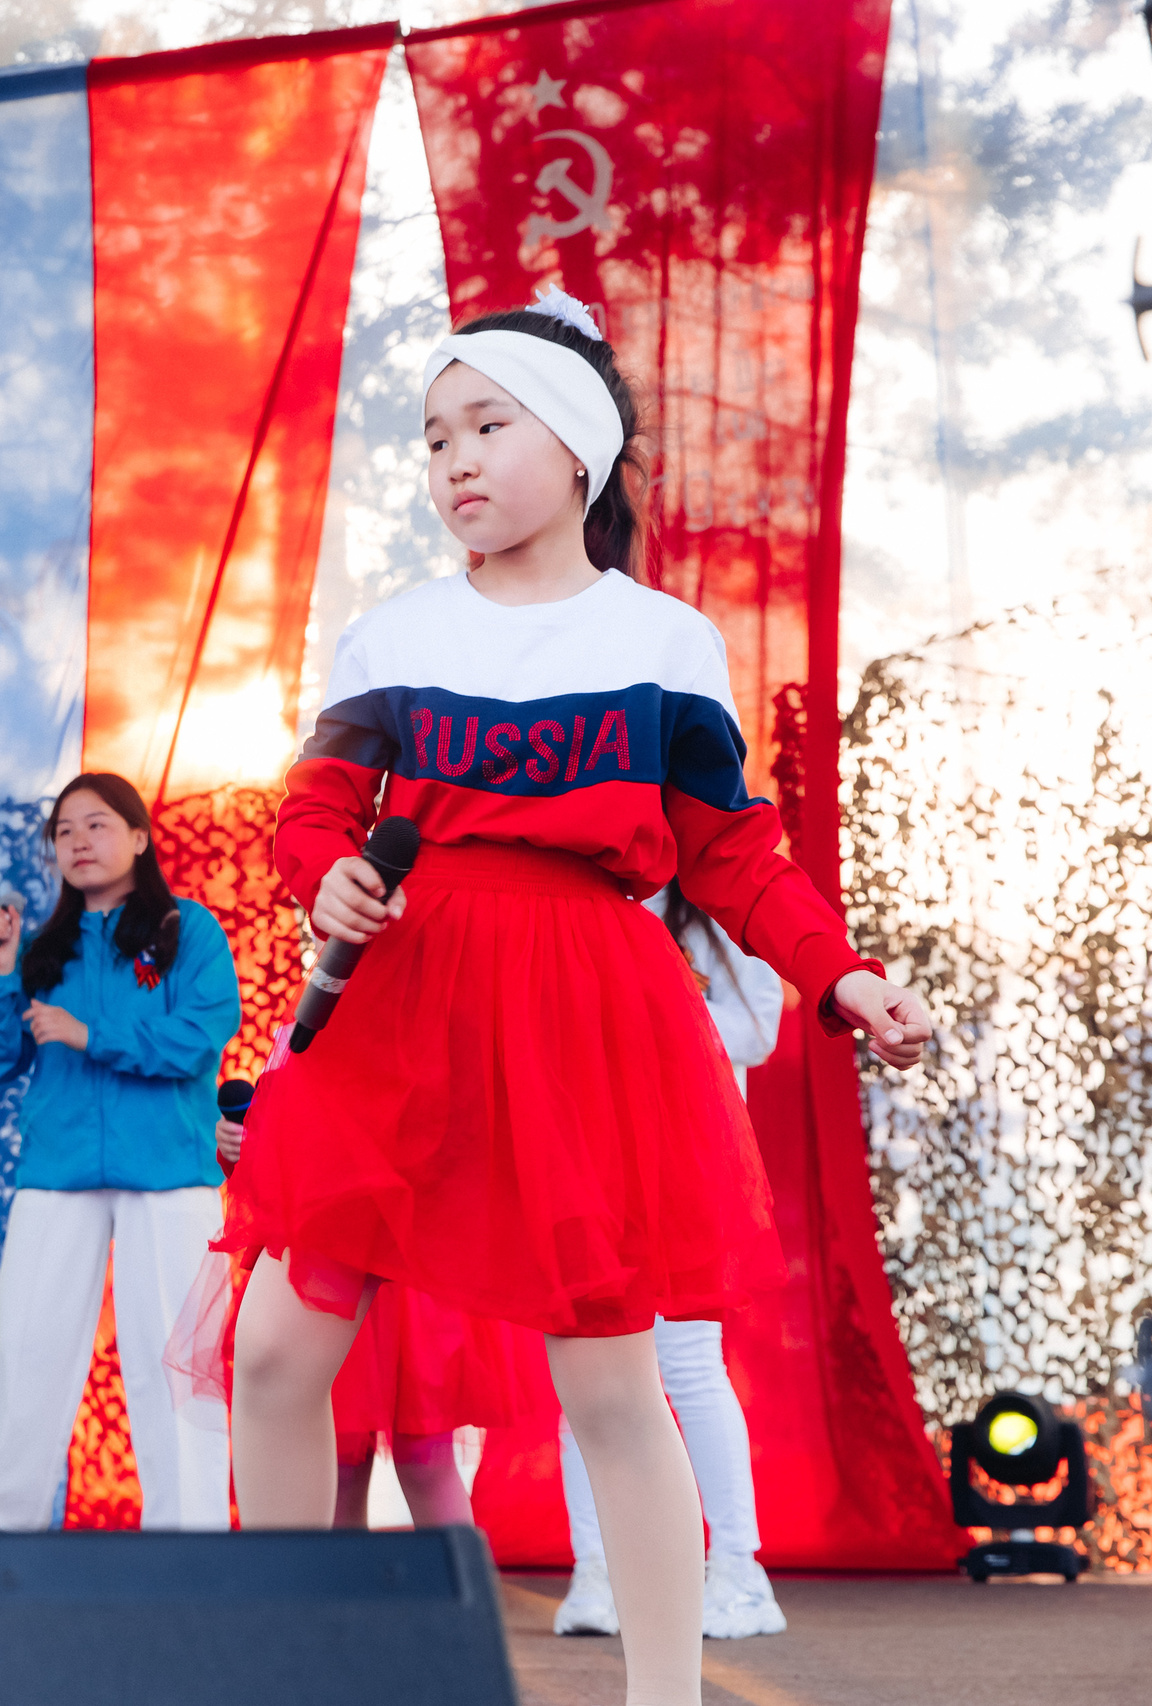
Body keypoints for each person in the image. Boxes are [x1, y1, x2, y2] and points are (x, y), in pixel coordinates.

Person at [207, 289, 930, 1706]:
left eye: (488, 424)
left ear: (582, 451)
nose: (454, 462)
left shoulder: (664, 644)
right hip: (404, 1011)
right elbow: (313, 818)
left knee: (612, 1382)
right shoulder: (393, 635)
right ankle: (278, 1662)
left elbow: (734, 854)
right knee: (281, 1348)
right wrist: (329, 879)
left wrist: (841, 972)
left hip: (582, 1016)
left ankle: (664, 1691)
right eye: (431, 439)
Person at [0, 772, 241, 1532]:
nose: (78, 842)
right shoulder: (42, 947)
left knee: (177, 1364)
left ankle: (189, 1545)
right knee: (28, 1355)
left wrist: (93, 1037)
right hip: (57, 1175)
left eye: (97, 825)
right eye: (64, 831)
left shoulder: (189, 931)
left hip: (171, 1174)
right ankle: (1, 1536)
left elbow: (199, 1037)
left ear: (141, 839)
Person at [556, 882, 789, 1639]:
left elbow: (757, 1034)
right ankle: (596, 1570)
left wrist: (646, 999)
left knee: (689, 1363)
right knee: (585, 1373)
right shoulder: (574, 900)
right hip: (591, 1162)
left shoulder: (722, 911)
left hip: (689, 1164)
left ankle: (737, 1570)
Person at [212, 1100, 550, 1532]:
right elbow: (287, 1146)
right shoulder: (306, 1045)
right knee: (342, 1469)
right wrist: (241, 1146)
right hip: (333, 1267)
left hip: (418, 1274)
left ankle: (470, 1597)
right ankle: (342, 1600)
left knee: (426, 1460)